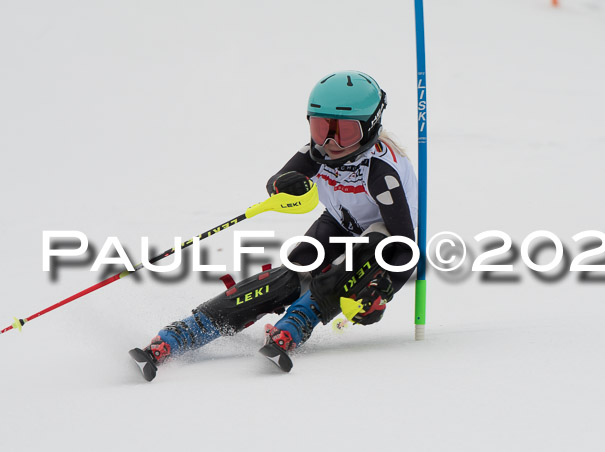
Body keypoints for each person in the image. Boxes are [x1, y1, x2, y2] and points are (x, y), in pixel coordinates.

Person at [129, 71, 418, 380]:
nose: (331, 143)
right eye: (321, 129)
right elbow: (276, 184)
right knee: (292, 272)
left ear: (370, 127)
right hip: (339, 222)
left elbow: (405, 247)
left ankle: (298, 320)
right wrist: (285, 184)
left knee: (356, 259)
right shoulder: (316, 154)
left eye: (344, 133)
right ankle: (190, 329)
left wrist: (385, 290)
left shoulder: (382, 175)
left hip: (386, 238)